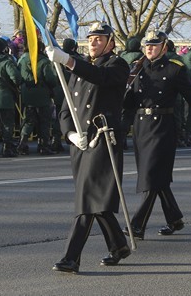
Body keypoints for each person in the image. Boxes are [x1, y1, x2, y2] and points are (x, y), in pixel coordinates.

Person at [46, 22, 131, 274]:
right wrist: (69, 133)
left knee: (86, 199)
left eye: (99, 38)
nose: (93, 42)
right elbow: (65, 108)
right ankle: (118, 245)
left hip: (102, 140)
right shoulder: (80, 69)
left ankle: (71, 257)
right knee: (96, 199)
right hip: (81, 144)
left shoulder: (117, 66)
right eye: (91, 38)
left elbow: (100, 78)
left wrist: (69, 61)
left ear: (110, 42)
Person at [123, 29, 191, 239]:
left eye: (154, 44)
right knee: (155, 176)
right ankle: (174, 218)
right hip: (141, 126)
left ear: (164, 46)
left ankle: (137, 225)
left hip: (163, 126)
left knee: (151, 176)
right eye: (147, 45)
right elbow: (129, 102)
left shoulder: (174, 69)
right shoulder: (137, 69)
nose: (150, 48)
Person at [17, 41, 58, 155]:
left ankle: (22, 144)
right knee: (44, 121)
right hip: (42, 94)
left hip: (27, 94)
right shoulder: (44, 61)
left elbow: (18, 74)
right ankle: (44, 146)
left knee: (28, 121)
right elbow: (51, 79)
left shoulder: (22, 59)